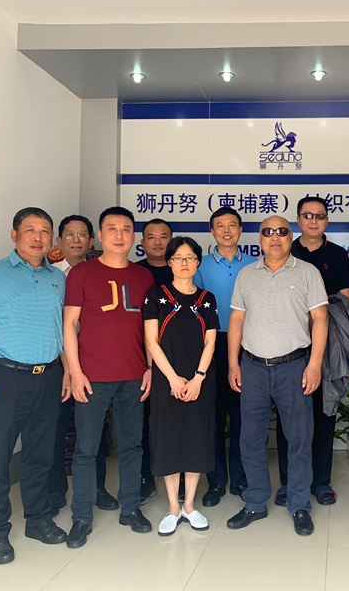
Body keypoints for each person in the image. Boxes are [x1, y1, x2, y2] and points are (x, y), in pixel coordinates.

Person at [0, 207, 69, 565]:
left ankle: (37, 519)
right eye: (30, 230)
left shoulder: (58, 279)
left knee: (41, 454)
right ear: (14, 235)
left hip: (50, 376)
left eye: (44, 231)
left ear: (52, 238)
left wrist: (68, 370)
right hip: (6, 377)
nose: (38, 237)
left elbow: (63, 331)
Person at [226, 215, 328, 536]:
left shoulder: (307, 272)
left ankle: (299, 505)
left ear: (290, 237)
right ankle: (256, 501)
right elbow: (237, 320)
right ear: (259, 238)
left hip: (294, 367)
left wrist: (314, 364)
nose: (274, 237)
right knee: (250, 439)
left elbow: (321, 319)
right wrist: (233, 364)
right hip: (253, 367)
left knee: (299, 440)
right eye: (267, 232)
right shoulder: (246, 274)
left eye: (281, 231)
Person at [63, 206, 155, 548]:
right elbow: (69, 324)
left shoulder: (144, 276)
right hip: (92, 376)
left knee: (132, 445)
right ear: (99, 236)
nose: (119, 235)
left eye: (126, 229)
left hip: (134, 376)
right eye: (112, 229)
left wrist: (150, 368)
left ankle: (130, 508)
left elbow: (150, 330)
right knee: (86, 449)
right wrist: (75, 372)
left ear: (134, 236)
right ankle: (81, 517)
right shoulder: (81, 273)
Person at [273, 196, 349, 508]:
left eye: (319, 216)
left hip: (327, 346)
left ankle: (321, 481)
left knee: (323, 413)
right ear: (298, 220)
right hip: (289, 346)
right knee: (288, 416)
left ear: (326, 221)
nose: (314, 221)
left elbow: (345, 303)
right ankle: (288, 482)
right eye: (308, 215)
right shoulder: (285, 250)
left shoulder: (337, 254)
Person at [144, 236, 220, 534]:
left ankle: (189, 505)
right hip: (167, 381)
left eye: (190, 258)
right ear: (169, 262)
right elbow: (152, 342)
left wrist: (199, 377)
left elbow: (211, 341)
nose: (184, 263)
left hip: (200, 380)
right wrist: (173, 379)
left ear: (198, 262)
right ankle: (173, 509)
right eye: (178, 258)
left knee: (196, 438)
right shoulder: (156, 296)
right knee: (169, 438)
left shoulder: (207, 299)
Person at [46, 215, 119, 516]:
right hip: (57, 364)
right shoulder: (49, 276)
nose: (75, 240)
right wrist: (68, 367)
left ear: (92, 241)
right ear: (59, 240)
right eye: (69, 235)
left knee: (94, 429)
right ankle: (55, 491)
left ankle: (97, 488)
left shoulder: (101, 274)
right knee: (55, 427)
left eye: (81, 235)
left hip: (93, 362)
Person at [194, 207, 256, 507]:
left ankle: (241, 479)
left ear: (241, 231)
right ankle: (216, 481)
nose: (227, 230)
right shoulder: (200, 266)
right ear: (212, 231)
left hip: (249, 345)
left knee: (244, 415)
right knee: (213, 416)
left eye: (233, 225)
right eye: (220, 225)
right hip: (212, 345)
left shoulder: (255, 265)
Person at [135, 217, 174, 503]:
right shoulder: (135, 273)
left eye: (164, 236)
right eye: (151, 237)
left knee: (177, 419)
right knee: (144, 421)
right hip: (143, 358)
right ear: (142, 243)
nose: (158, 242)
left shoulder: (182, 269)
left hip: (180, 356)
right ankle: (146, 479)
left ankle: (179, 475)